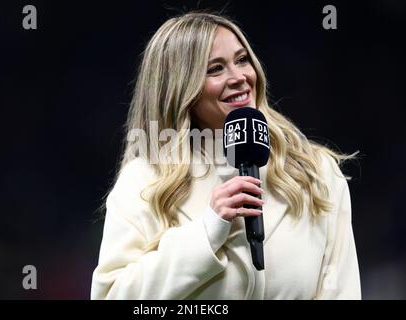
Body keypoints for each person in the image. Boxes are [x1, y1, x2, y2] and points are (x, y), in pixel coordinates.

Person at [90, 12, 361, 299]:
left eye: (242, 60)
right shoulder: (144, 181)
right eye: (216, 69)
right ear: (180, 88)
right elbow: (112, 295)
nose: (239, 77)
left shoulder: (316, 172)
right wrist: (207, 232)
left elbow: (341, 290)